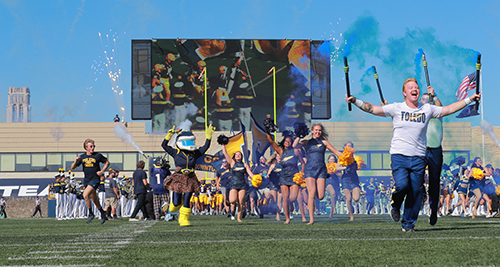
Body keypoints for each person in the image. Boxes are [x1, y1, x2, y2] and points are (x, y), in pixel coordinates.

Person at [346, 78, 481, 232]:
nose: (414, 89)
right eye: (411, 87)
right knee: (402, 185)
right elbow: (373, 109)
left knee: (416, 191)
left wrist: (470, 99)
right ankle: (395, 204)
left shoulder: (427, 109)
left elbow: (448, 109)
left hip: (418, 157)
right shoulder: (396, 108)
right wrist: (355, 101)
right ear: (405, 93)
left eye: (416, 87)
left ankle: (408, 224)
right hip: (399, 155)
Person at [162, 124, 215, 226]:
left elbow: (205, 147)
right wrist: (169, 136)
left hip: (190, 178)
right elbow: (164, 146)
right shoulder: (175, 152)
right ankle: (171, 206)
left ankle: (184, 219)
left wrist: (208, 137)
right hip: (178, 178)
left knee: (187, 200)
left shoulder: (194, 153)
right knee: (176, 203)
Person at [293, 122, 343, 225]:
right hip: (310, 170)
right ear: (312, 130)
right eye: (316, 130)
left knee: (320, 196)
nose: (318, 132)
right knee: (311, 193)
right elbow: (294, 145)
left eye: (319, 130)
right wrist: (299, 136)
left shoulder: (324, 142)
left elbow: (337, 152)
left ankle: (313, 193)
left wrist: (348, 156)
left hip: (321, 170)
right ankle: (311, 219)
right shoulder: (307, 142)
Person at [266, 131, 304, 224]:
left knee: (293, 198)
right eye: (286, 141)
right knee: (285, 198)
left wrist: (301, 174)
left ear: (291, 142)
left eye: (289, 141)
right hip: (283, 178)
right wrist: (267, 131)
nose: (287, 142)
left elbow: (302, 163)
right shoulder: (281, 151)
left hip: (294, 177)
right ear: (283, 142)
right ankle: (287, 219)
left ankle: (291, 205)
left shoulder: (296, 151)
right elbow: (271, 141)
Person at [71, 139, 110, 224]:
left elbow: (107, 162)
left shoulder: (98, 155)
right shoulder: (82, 157)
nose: (93, 148)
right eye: (91, 146)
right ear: (86, 148)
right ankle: (102, 213)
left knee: (85, 195)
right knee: (94, 198)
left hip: (95, 179)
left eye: (93, 146)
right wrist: (76, 161)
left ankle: (91, 213)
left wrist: (102, 171)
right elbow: (72, 167)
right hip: (87, 180)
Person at [420, 90, 444, 226]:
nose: (426, 101)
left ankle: (434, 209)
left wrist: (434, 95)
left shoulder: (436, 112)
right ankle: (422, 194)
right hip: (421, 149)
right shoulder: (419, 113)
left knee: (434, 181)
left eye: (428, 99)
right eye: (423, 99)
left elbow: (439, 106)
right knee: (416, 177)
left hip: (435, 149)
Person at [222, 146, 254, 222]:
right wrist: (223, 145)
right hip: (233, 185)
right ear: (235, 157)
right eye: (236, 154)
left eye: (239, 154)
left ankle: (239, 218)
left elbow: (251, 174)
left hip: (242, 185)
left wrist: (256, 178)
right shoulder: (233, 163)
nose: (238, 155)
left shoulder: (245, 165)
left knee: (241, 202)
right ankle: (232, 211)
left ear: (241, 156)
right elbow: (225, 154)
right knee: (232, 200)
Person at [341, 141, 361, 221]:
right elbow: (336, 168)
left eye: (351, 146)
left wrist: (360, 164)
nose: (349, 147)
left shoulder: (355, 157)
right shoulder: (342, 157)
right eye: (348, 146)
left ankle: (351, 206)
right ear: (344, 147)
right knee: (348, 199)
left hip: (354, 178)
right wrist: (345, 167)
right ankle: (351, 216)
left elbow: (363, 165)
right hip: (345, 179)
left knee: (356, 199)